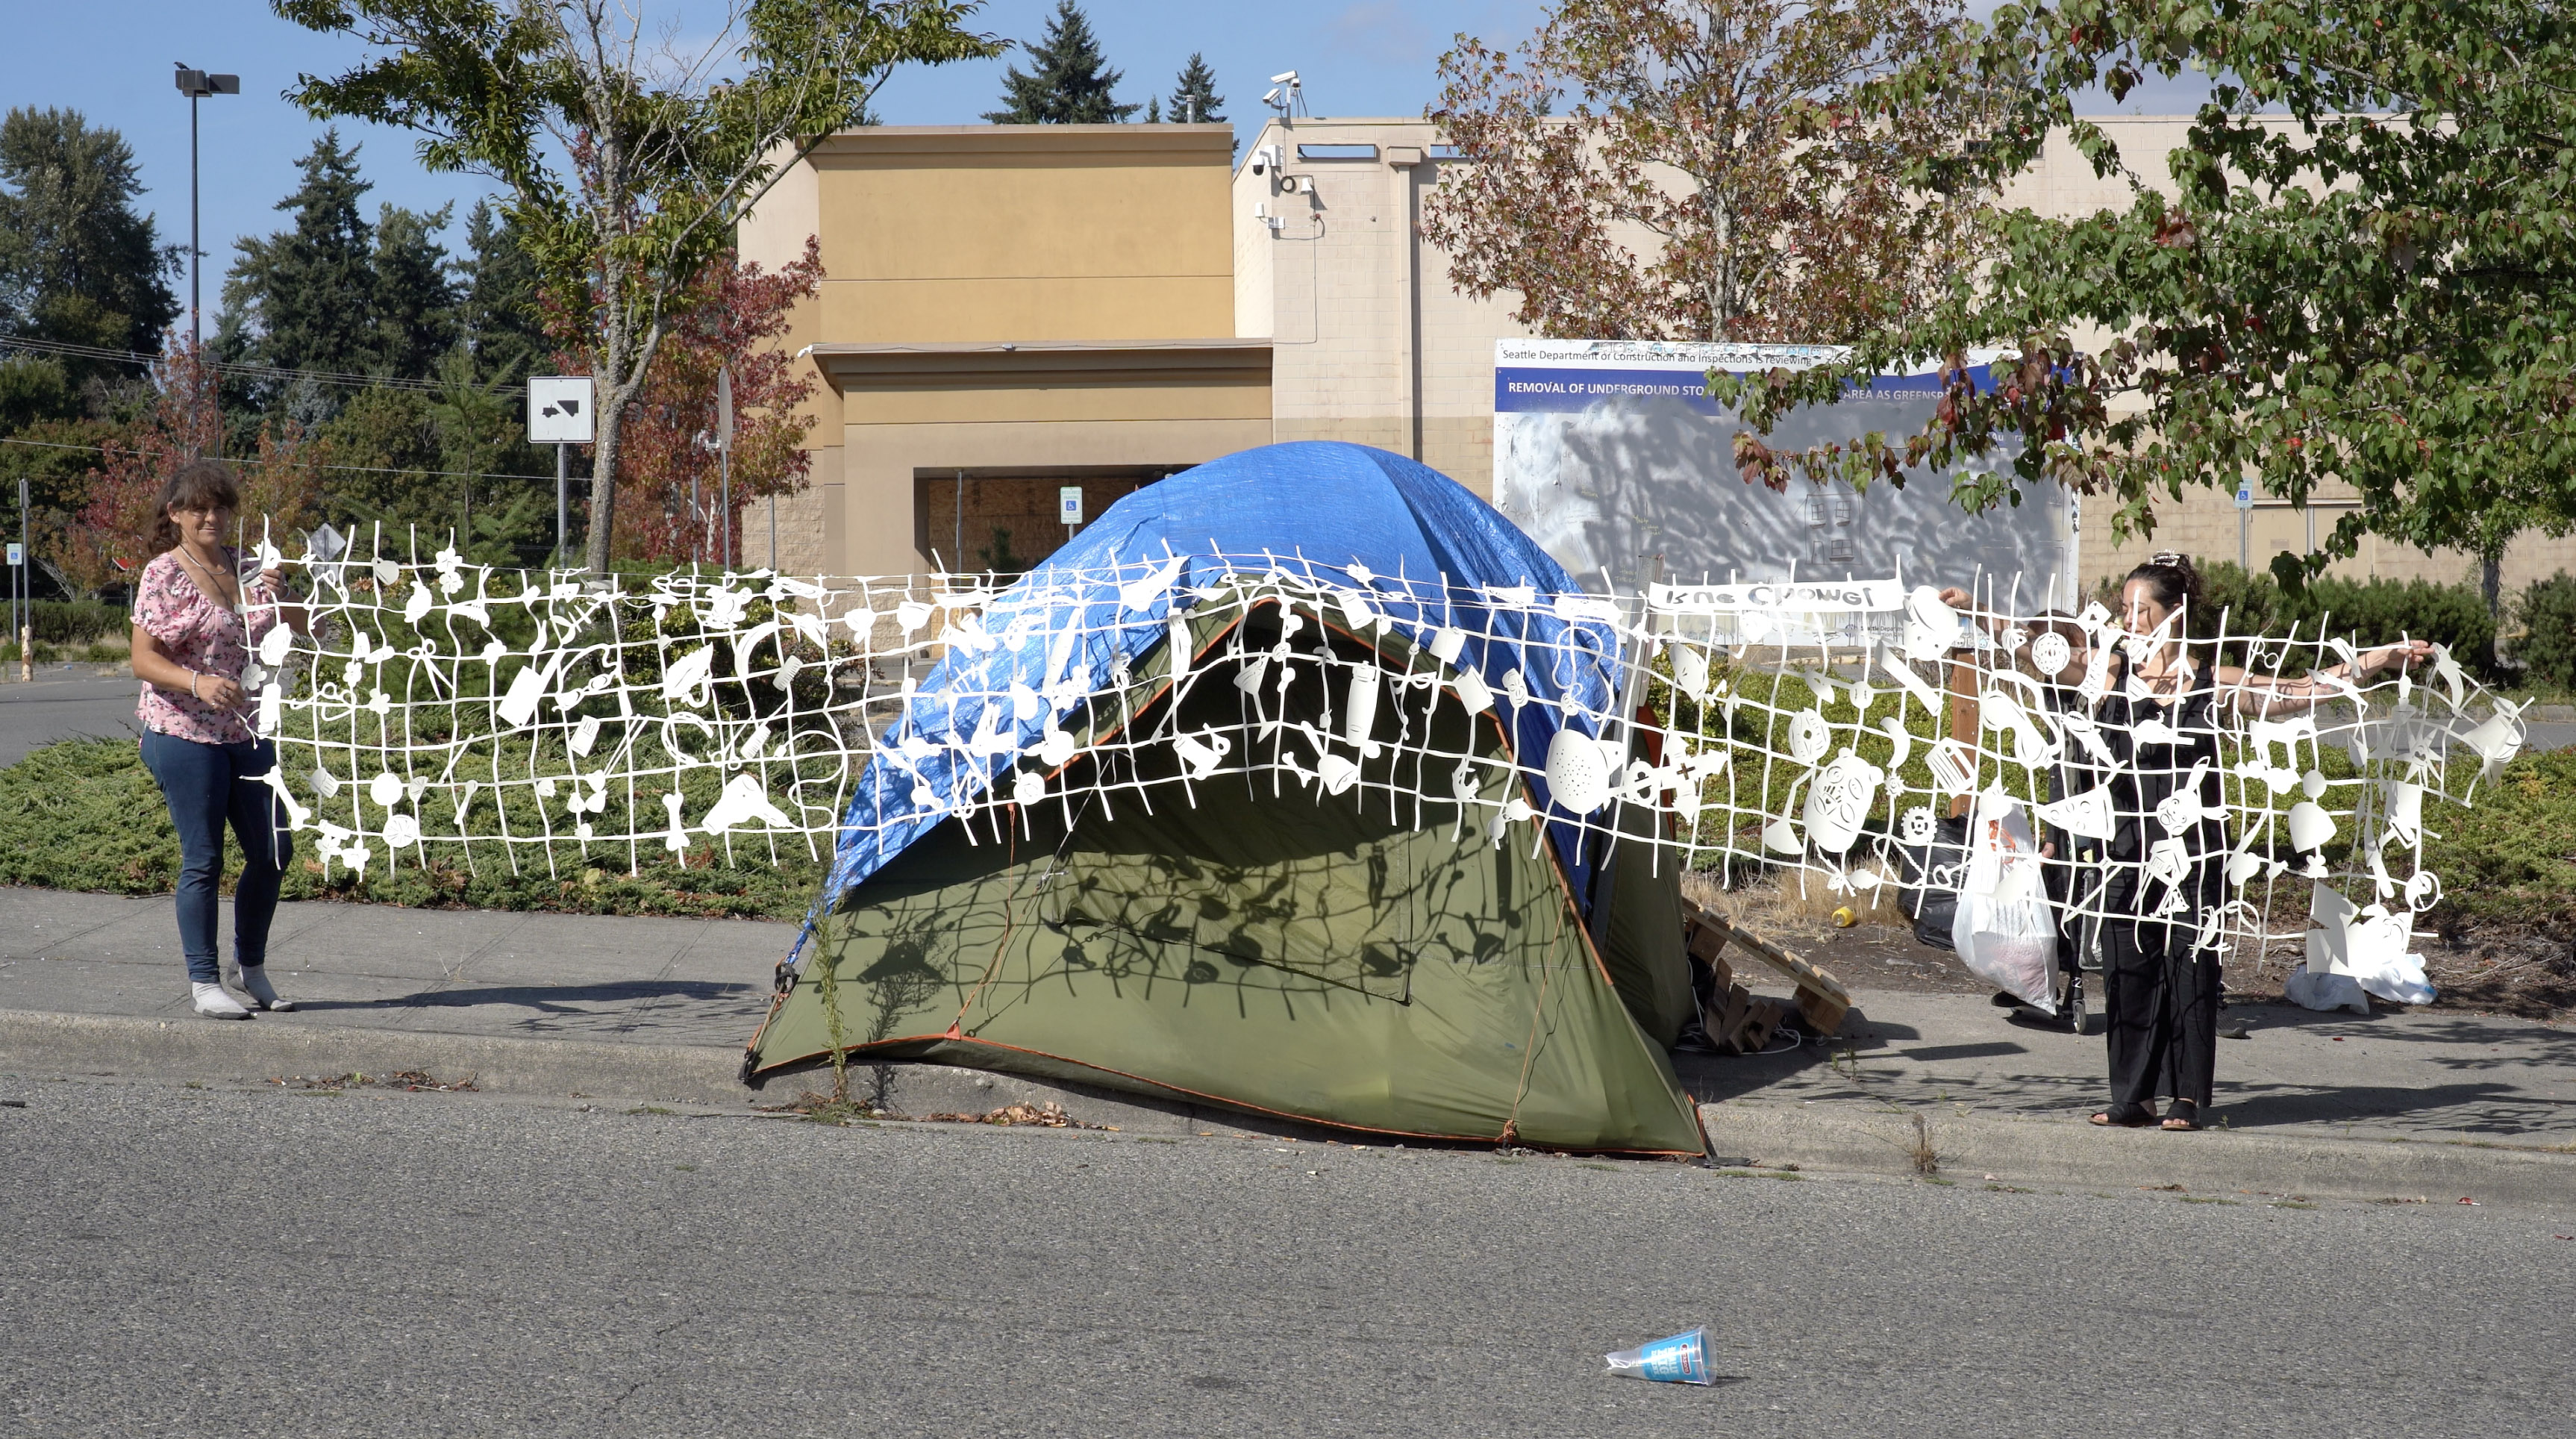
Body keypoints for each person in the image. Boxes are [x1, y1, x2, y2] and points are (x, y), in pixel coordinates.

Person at [1941, 555, 2428, 1131]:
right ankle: (2132, 1096)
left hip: (2195, 851)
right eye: (2125, 609)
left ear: (2175, 615)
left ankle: (2187, 1097)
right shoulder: (2108, 673)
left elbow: (2298, 692)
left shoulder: (2211, 681)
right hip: (2125, 846)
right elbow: (2039, 650)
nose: (2131, 619)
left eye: (2141, 609)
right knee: (2127, 972)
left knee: (2190, 969)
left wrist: (2379, 659)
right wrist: (1978, 614)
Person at [128, 459, 307, 1019]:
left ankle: (248, 968)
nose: (212, 516)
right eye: (199, 507)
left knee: (274, 850)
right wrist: (198, 682)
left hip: (247, 731)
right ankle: (204, 982)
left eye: (221, 507)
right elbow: (142, 659)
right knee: (203, 859)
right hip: (183, 731)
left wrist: (284, 598)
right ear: (175, 514)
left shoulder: (249, 567)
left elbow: (308, 626)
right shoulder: (164, 573)